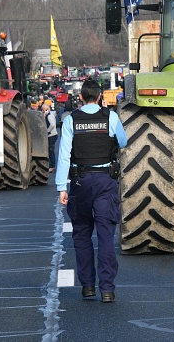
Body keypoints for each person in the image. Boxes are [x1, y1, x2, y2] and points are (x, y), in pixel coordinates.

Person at [56, 79, 127, 303]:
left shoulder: (71, 120)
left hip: (80, 181)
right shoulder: (110, 117)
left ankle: (87, 286)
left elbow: (64, 155)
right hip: (105, 180)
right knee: (106, 236)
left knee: (82, 234)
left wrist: (61, 187)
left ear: (80, 98)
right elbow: (123, 142)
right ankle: (107, 289)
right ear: (99, 97)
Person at [42, 103, 58, 172]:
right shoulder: (50, 114)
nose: (42, 111)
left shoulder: (49, 116)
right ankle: (51, 165)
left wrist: (47, 131)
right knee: (50, 151)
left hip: (51, 135)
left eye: (42, 109)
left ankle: (52, 166)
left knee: (51, 151)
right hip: (52, 135)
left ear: (46, 109)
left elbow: (53, 124)